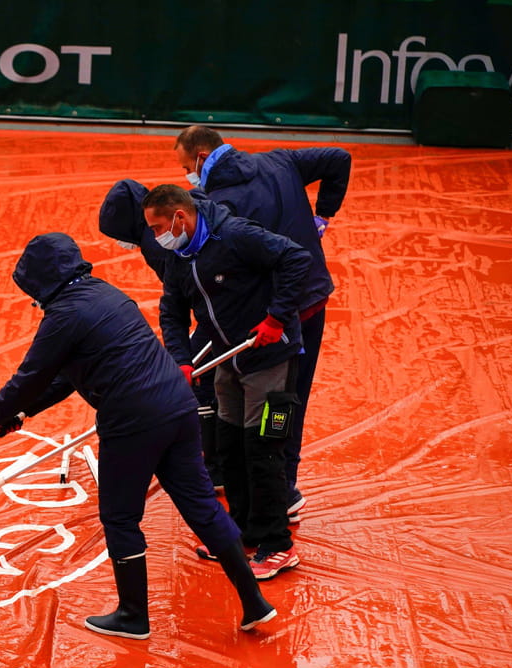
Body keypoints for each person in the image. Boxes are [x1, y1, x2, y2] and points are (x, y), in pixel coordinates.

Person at [0, 232, 275, 639]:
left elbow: (29, 378)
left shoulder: (63, 316)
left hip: (134, 421)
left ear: (40, 281)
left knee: (120, 516)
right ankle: (254, 603)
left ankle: (133, 615)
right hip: (177, 406)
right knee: (202, 507)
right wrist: (20, 413)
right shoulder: (106, 294)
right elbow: (64, 377)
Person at [173, 126, 351, 522]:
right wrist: (324, 214)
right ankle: (280, 488)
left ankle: (273, 497)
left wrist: (271, 315)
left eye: (187, 167)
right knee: (288, 401)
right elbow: (339, 157)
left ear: (201, 156)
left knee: (264, 406)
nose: (188, 174)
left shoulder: (214, 204)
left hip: (270, 319)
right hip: (308, 302)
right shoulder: (279, 161)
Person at [143, 184, 311, 579]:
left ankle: (277, 544)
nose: (155, 236)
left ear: (179, 218)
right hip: (227, 360)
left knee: (264, 448)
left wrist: (277, 317)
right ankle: (243, 530)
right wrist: (180, 361)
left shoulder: (236, 235)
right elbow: (172, 310)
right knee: (230, 445)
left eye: (157, 227)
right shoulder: (180, 257)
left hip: (269, 356)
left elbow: (296, 258)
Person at [98, 179, 224, 492]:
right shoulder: (159, 229)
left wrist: (186, 349)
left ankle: (216, 465)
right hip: (213, 311)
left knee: (200, 381)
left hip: (221, 316)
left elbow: (178, 293)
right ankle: (217, 455)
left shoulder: (156, 244)